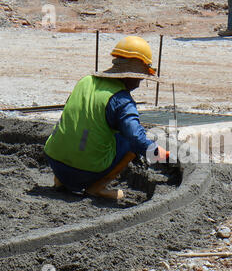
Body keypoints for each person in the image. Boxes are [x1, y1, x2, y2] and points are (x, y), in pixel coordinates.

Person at [44, 36, 169, 200]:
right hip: (84, 172)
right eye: (140, 77)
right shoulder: (122, 100)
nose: (139, 83)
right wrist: (158, 152)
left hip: (54, 160)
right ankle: (96, 188)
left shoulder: (85, 81)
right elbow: (136, 139)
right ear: (131, 75)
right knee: (130, 142)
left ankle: (60, 181)